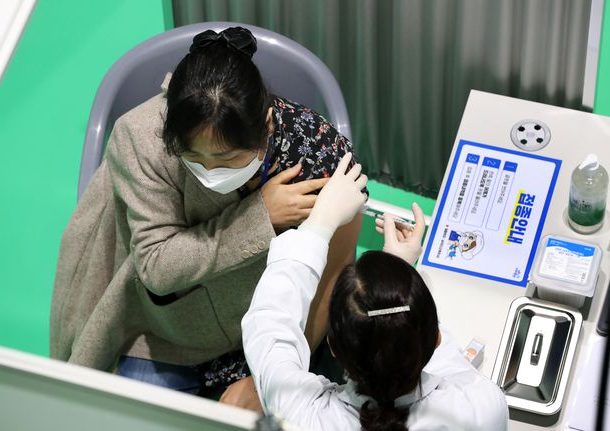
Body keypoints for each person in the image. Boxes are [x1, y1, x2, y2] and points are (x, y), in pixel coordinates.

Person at [50, 27, 362, 411]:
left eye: (228, 159)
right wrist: (260, 216)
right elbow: (156, 264)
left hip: (272, 326)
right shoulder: (142, 138)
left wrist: (271, 376)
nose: (210, 172)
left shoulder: (317, 152)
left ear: (266, 126)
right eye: (193, 158)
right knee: (129, 415)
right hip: (170, 328)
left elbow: (332, 276)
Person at [242, 153, 509, 430]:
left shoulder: (302, 417)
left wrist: (318, 224)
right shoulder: (481, 408)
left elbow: (269, 326)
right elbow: (445, 368)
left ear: (333, 347)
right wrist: (398, 271)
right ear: (437, 338)